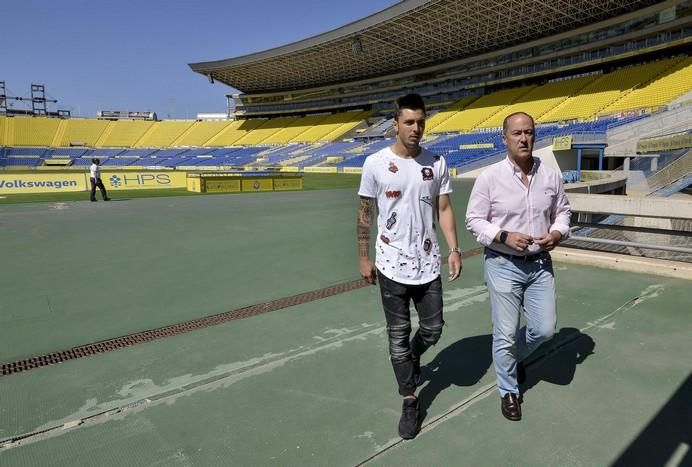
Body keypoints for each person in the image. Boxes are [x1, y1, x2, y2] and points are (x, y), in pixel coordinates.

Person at [357, 93, 462, 439]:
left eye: (421, 122)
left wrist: (454, 249)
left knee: (432, 330)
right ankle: (409, 399)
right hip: (389, 265)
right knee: (397, 339)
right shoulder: (375, 163)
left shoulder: (437, 162)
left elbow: (444, 208)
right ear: (396, 124)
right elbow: (365, 214)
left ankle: (414, 358)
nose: (416, 128)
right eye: (409, 122)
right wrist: (363, 256)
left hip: (428, 263)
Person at [465, 112, 571, 421]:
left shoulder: (550, 176)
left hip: (540, 264)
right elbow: (474, 219)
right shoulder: (489, 177)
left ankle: (510, 361)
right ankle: (508, 390)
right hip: (502, 263)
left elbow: (563, 211)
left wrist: (556, 233)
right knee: (505, 333)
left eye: (529, 132)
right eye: (517, 133)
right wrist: (503, 235)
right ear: (505, 138)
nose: (524, 138)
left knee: (545, 329)